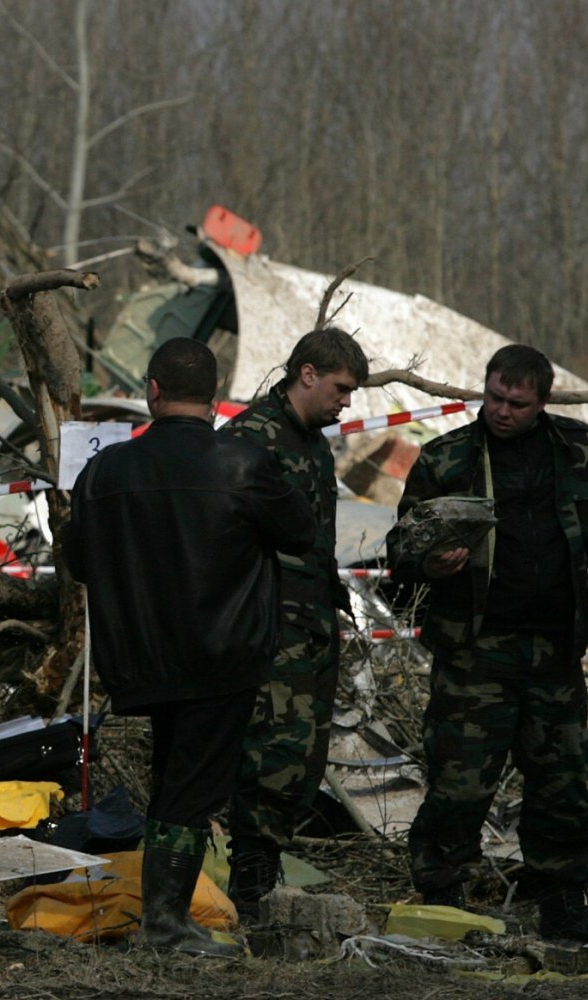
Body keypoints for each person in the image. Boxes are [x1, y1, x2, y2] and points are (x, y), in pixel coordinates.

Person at [387, 344, 588, 948]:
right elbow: (401, 549)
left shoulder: (578, 450)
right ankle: (442, 900)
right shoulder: (448, 457)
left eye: (517, 403)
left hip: (554, 653)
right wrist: (430, 562)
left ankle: (562, 906)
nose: (502, 411)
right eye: (494, 398)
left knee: (562, 788)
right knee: (459, 787)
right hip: (473, 654)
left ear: (543, 402)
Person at [65, 338, 314, 956]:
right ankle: (167, 923)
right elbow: (302, 532)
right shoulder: (244, 463)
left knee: (175, 779)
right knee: (192, 789)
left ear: (152, 391)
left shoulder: (104, 471)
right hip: (221, 654)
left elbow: (77, 560)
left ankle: (166, 914)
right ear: (214, 394)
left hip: (139, 660)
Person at [219, 327, 369, 919]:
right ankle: (250, 878)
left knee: (302, 756)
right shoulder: (249, 440)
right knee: (269, 755)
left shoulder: (312, 442)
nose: (346, 402)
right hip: (268, 627)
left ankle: (264, 865)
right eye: (340, 388)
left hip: (309, 625)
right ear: (307, 374)